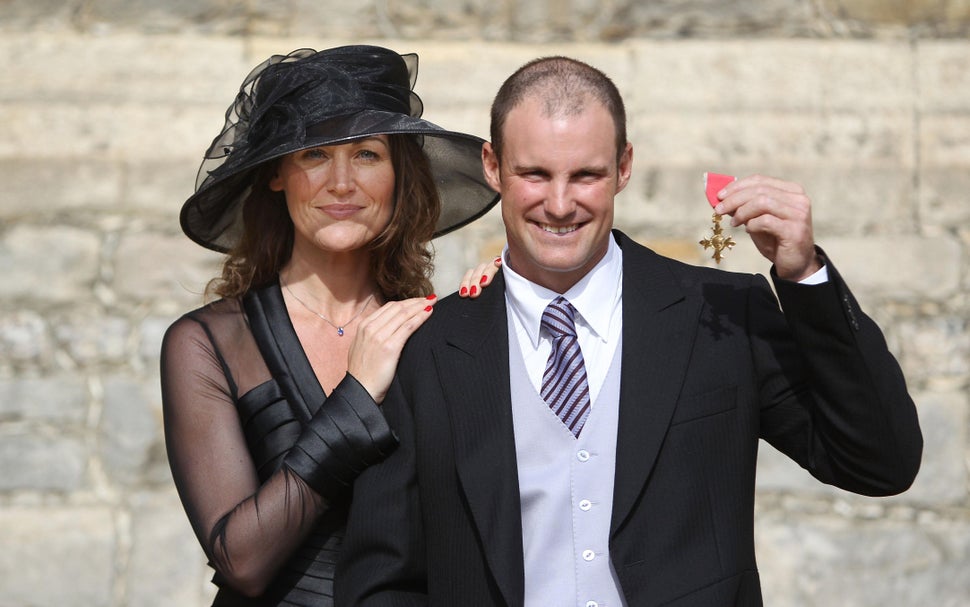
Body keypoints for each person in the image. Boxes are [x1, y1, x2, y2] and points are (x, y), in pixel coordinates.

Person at [336, 55, 923, 606]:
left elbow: (879, 463)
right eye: (535, 174)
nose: (560, 204)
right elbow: (381, 580)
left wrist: (803, 276)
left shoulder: (723, 314)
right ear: (493, 167)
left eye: (586, 175)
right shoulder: (426, 348)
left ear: (623, 167)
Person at [160, 45, 500, 605]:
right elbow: (241, 560)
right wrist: (360, 395)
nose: (342, 183)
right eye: (314, 154)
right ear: (277, 176)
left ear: (398, 175)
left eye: (366, 154)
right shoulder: (208, 344)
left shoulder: (430, 328)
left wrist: (495, 317)